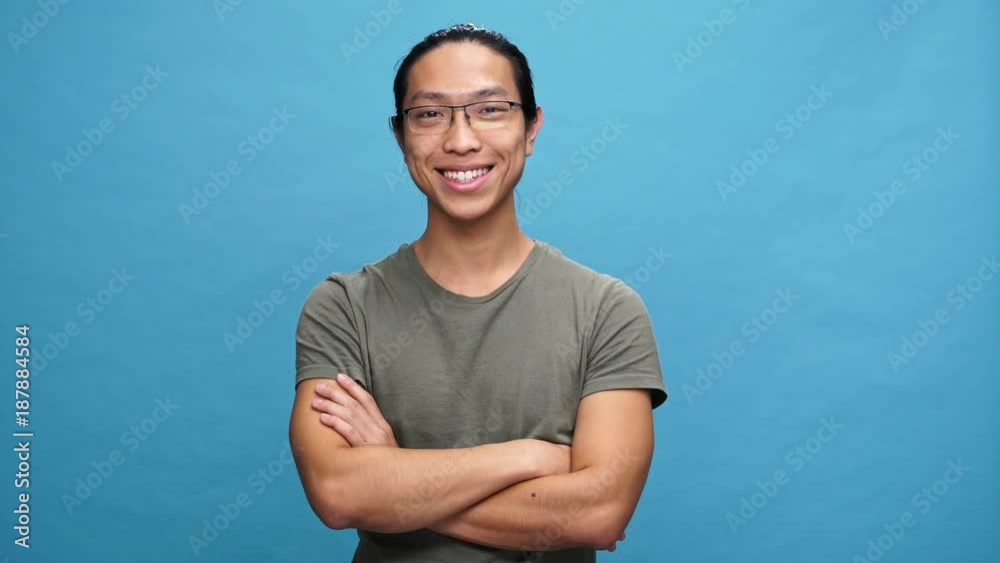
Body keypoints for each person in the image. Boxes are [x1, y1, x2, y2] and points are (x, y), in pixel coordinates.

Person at [289, 23, 668, 563]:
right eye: (429, 114)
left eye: (490, 109)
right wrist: (529, 458)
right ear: (400, 136)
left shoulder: (606, 310)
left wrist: (396, 472)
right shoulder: (344, 307)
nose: (460, 140)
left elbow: (599, 513)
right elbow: (338, 493)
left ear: (532, 128)